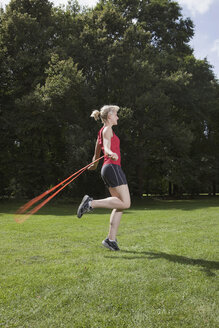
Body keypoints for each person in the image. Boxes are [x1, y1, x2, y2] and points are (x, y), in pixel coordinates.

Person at [77, 105, 131, 251]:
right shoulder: (107, 129)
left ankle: (111, 240)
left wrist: (94, 163)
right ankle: (91, 203)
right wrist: (110, 153)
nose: (117, 117)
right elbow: (106, 147)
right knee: (125, 203)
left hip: (107, 169)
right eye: (116, 115)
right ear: (109, 117)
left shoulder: (101, 131)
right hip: (113, 167)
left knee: (118, 205)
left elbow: (97, 151)